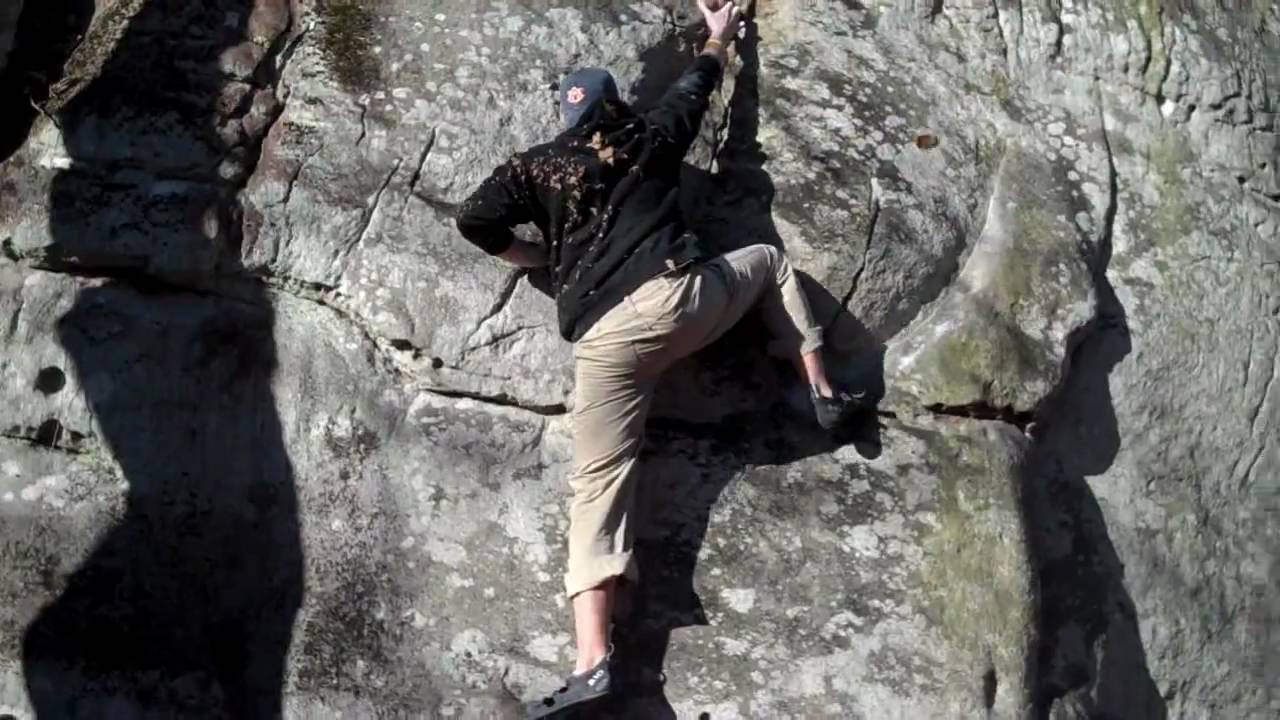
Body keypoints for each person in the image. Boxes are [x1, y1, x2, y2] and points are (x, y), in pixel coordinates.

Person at [455, 1, 865, 715]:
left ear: (566, 113)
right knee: (767, 259)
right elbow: (701, 87)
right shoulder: (647, 135)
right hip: (681, 302)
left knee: (599, 484)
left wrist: (533, 257)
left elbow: (472, 219)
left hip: (607, 341)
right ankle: (822, 387)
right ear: (611, 104)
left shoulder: (535, 167)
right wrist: (721, 33)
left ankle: (591, 662)